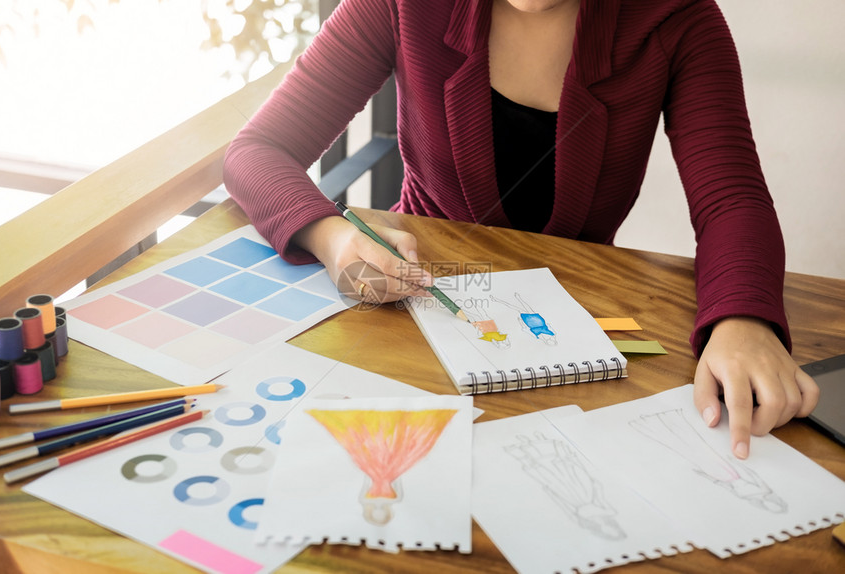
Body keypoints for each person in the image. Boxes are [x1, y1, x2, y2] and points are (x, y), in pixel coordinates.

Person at [222, 0, 819, 460]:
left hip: (580, 340)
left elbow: (732, 200)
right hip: (408, 311)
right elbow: (258, 151)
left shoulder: (678, 18)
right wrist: (332, 237)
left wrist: (744, 321)